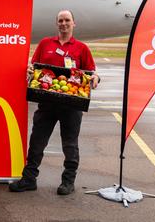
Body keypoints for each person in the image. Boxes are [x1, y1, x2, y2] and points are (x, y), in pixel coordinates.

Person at [9, 10, 100, 195]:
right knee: (36, 142)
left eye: (67, 20)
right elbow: (34, 67)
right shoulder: (45, 44)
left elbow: (92, 72)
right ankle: (29, 179)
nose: (64, 23)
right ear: (56, 24)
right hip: (47, 103)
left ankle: (68, 181)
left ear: (74, 24)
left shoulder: (81, 48)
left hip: (72, 106)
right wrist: (29, 71)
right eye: (60, 20)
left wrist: (96, 79)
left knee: (70, 145)